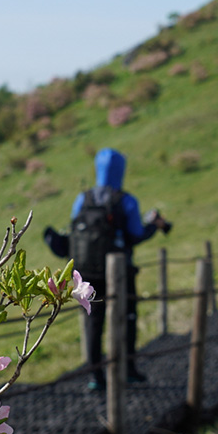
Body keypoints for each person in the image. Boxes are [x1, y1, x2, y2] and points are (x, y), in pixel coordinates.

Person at [70, 147, 168, 390]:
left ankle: (95, 377)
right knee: (126, 319)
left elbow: (72, 231)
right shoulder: (126, 200)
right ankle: (128, 370)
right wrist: (152, 227)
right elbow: (135, 235)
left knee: (93, 323)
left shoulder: (83, 199)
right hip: (119, 272)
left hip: (87, 273)